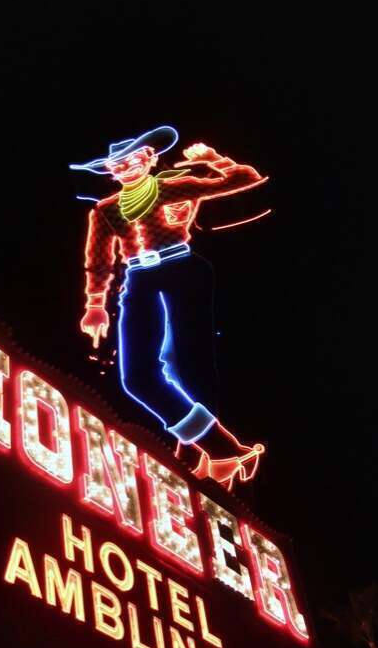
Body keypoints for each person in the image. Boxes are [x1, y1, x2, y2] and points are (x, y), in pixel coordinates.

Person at [70, 126, 266, 490]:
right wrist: (95, 304)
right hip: (138, 280)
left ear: (150, 158)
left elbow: (247, 178)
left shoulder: (176, 186)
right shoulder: (107, 211)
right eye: (117, 164)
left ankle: (195, 453)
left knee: (187, 361)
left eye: (133, 158)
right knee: (136, 377)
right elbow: (99, 261)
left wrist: (211, 160)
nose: (126, 167)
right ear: (111, 171)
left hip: (182, 270)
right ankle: (222, 448)